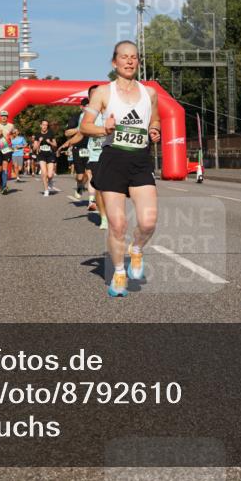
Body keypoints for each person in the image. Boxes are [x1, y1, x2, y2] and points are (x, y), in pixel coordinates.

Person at [81, 42, 161, 297]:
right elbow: (85, 126)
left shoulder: (150, 93)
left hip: (139, 160)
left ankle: (136, 250)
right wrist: (105, 129)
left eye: (134, 58)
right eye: (124, 57)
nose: (129, 61)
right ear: (114, 62)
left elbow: (155, 118)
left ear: (138, 62)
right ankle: (118, 272)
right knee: (117, 225)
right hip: (113, 160)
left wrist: (154, 129)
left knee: (148, 222)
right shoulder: (104, 92)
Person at [81, 85, 108, 230]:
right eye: (94, 95)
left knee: (113, 188)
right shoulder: (86, 115)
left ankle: (112, 214)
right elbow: (82, 131)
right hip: (96, 156)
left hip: (113, 154)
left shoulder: (112, 109)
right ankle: (104, 217)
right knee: (100, 188)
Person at [59, 99, 91, 202]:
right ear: (81, 107)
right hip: (78, 147)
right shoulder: (75, 117)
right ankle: (80, 185)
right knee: (80, 176)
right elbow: (67, 133)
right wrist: (80, 129)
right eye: (86, 106)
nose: (88, 108)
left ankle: (92, 199)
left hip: (92, 147)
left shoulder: (95, 116)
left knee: (90, 172)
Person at [33, 120, 58, 196]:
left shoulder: (51, 133)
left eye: (46, 125)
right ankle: (46, 190)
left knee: (50, 175)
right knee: (44, 173)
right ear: (41, 125)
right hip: (41, 155)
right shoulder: (37, 135)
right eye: (43, 125)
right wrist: (39, 142)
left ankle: (50, 181)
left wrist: (50, 142)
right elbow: (34, 148)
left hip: (50, 155)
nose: (44, 126)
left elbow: (55, 145)